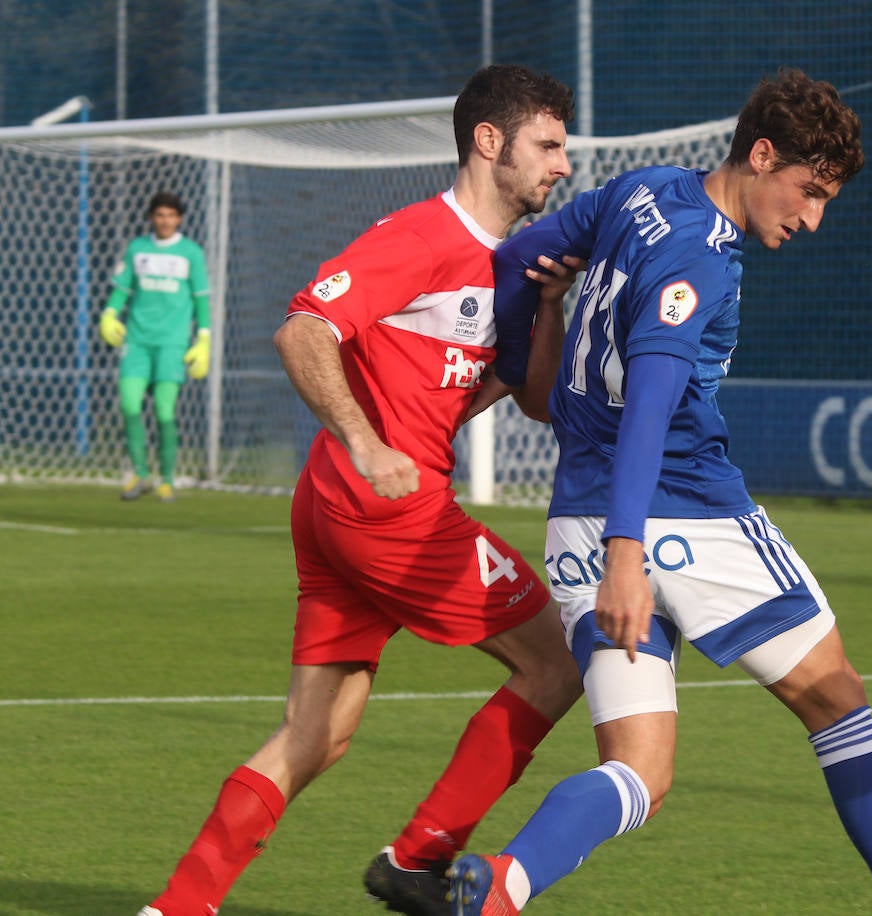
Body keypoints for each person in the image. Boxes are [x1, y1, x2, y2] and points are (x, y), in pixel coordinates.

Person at [448, 68, 872, 915]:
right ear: (760, 154)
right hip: (678, 517)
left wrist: (530, 367)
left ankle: (502, 883)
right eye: (808, 190)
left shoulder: (639, 192)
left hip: (574, 519)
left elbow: (522, 257)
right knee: (836, 696)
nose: (813, 216)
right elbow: (650, 401)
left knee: (640, 771)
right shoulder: (702, 262)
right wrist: (629, 554)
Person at [137, 64, 586, 916]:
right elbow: (303, 328)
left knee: (318, 735)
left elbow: (529, 396)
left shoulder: (514, 265)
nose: (562, 165)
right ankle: (420, 858)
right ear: (489, 143)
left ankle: (179, 907)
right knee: (560, 660)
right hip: (386, 510)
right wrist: (368, 441)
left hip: (340, 509)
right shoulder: (421, 238)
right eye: (549, 145)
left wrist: (553, 305)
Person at [99, 191, 212, 503]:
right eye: (160, 215)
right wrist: (109, 313)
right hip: (136, 342)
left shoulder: (191, 253)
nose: (165, 221)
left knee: (164, 413)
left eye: (171, 215)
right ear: (152, 217)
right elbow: (121, 290)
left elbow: (201, 299)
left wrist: (204, 338)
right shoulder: (137, 249)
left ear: (179, 219)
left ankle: (166, 480)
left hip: (172, 344)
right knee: (130, 406)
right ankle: (139, 473)